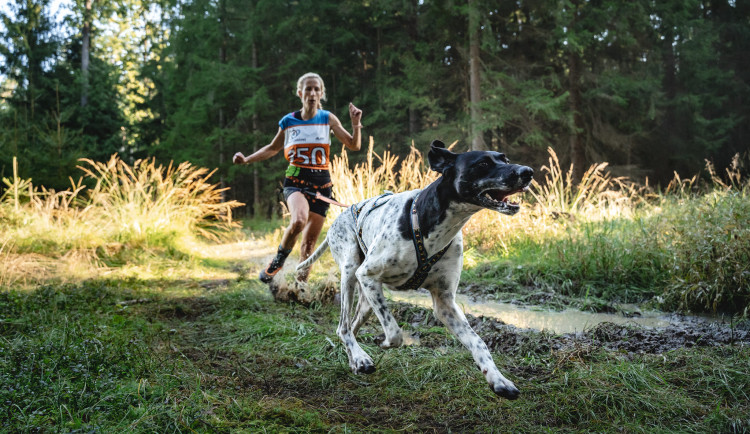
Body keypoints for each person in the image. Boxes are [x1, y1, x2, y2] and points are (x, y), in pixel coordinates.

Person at [233, 72, 363, 284]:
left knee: (309, 244)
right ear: (300, 93)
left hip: (322, 185)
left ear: (321, 93)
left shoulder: (328, 119)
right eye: (308, 89)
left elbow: (354, 145)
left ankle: (300, 287)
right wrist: (246, 159)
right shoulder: (288, 121)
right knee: (299, 220)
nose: (312, 93)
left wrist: (356, 123)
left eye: (316, 89)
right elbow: (273, 148)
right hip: (296, 182)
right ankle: (278, 261)